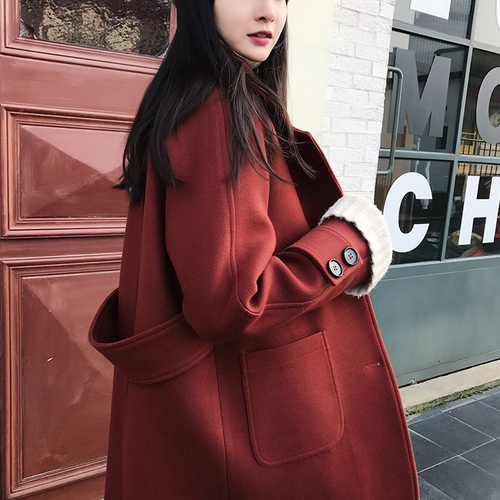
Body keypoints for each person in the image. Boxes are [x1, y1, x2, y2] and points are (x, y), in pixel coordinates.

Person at [89, 0, 418, 498]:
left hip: (196, 422)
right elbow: (232, 302)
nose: (269, 12)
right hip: (252, 429)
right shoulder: (220, 111)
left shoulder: (186, 98)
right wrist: (351, 243)